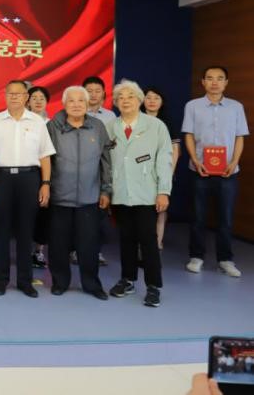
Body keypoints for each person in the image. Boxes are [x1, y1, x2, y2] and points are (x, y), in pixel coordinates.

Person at [0, 79, 55, 298]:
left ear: (26, 97)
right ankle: (0, 280)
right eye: (10, 93)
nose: (14, 97)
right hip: (1, 178)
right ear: (5, 96)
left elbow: (45, 156)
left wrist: (45, 184)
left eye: (18, 93)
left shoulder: (37, 122)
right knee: (1, 230)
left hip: (29, 178)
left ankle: (24, 281)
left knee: (25, 231)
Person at [106, 80, 173, 307]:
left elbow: (164, 160)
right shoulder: (110, 127)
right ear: (115, 102)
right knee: (126, 238)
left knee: (148, 240)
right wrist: (106, 190)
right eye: (120, 97)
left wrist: (163, 191)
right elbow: (105, 162)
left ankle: (153, 286)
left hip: (147, 192)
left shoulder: (156, 126)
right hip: (120, 192)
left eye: (130, 96)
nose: (125, 101)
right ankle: (127, 280)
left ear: (139, 100)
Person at [45, 86, 112, 300]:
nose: (76, 105)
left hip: (89, 197)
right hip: (59, 196)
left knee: (89, 245)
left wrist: (106, 190)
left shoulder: (97, 127)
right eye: (71, 101)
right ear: (64, 104)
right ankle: (60, 282)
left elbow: (106, 161)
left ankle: (91, 284)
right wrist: (46, 187)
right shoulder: (52, 127)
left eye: (81, 101)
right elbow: (45, 160)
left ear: (87, 104)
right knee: (58, 244)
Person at [182, 66, 248, 278]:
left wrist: (234, 162)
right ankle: (196, 256)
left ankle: (225, 259)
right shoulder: (192, 106)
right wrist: (195, 160)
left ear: (226, 82)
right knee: (198, 217)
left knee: (225, 218)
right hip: (200, 169)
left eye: (220, 78)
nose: (214, 82)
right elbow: (189, 135)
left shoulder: (236, 107)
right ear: (203, 82)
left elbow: (239, 137)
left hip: (228, 171)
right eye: (210, 78)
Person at [141, 86, 181, 249]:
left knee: (161, 209)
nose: (152, 101)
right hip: (141, 173)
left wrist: (169, 173)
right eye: (148, 97)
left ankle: (157, 242)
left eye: (156, 98)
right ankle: (141, 242)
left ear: (162, 102)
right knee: (142, 210)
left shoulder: (168, 122)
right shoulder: (136, 119)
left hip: (163, 172)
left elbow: (175, 149)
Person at [82, 75, 115, 266]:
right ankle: (75, 250)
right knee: (79, 212)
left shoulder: (110, 116)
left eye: (97, 91)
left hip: (101, 169)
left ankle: (97, 251)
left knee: (100, 212)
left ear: (104, 93)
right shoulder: (75, 112)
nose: (93, 95)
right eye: (89, 91)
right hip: (79, 169)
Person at [26, 85, 51, 268]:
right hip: (27, 173)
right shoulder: (22, 122)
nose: (38, 101)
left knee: (44, 213)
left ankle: (39, 251)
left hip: (46, 174)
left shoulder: (52, 124)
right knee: (26, 214)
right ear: (28, 101)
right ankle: (25, 250)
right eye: (34, 97)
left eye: (42, 98)